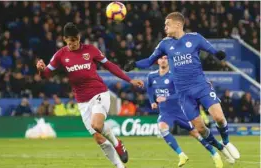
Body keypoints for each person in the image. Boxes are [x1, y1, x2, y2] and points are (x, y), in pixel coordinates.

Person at [124, 12, 240, 167]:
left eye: (167, 24)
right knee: (200, 128)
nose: (165, 27)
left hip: (201, 86)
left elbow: (212, 50)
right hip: (184, 93)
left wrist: (218, 55)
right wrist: (135, 64)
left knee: (218, 117)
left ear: (178, 24)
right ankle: (220, 148)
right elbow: (150, 61)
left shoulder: (195, 38)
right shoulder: (164, 44)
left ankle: (226, 142)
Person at [36, 22, 144, 168]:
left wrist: (129, 80)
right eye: (70, 40)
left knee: (96, 124)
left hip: (99, 92)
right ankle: (120, 166)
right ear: (65, 39)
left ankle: (118, 143)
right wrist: (41, 70)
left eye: (75, 39)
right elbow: (46, 75)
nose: (73, 43)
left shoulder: (90, 50)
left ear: (79, 37)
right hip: (82, 101)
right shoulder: (60, 55)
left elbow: (109, 65)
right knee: (99, 139)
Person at [147, 56, 233, 167]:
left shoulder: (175, 75)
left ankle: (216, 152)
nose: (163, 60)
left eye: (165, 58)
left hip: (180, 111)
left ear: (169, 61)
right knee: (162, 128)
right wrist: (152, 101)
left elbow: (181, 93)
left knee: (197, 134)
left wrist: (166, 98)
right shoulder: (151, 76)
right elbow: (149, 89)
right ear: (157, 61)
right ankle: (181, 155)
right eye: (161, 58)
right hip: (165, 112)